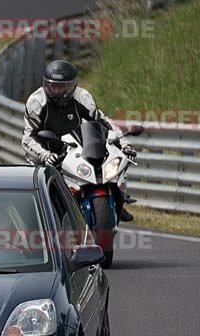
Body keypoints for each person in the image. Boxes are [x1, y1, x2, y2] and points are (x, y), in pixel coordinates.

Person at [22, 59, 135, 222]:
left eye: (63, 86)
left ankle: (117, 200)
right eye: (53, 86)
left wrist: (124, 143)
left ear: (72, 85)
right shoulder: (36, 102)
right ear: (46, 84)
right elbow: (27, 138)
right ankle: (37, 221)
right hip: (43, 153)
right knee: (38, 193)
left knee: (102, 168)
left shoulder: (82, 96)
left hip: (73, 147)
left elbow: (103, 121)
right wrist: (45, 155)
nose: (58, 90)